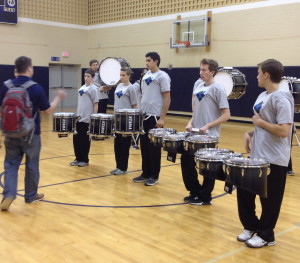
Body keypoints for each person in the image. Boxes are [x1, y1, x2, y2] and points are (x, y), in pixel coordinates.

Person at [237, 59, 294, 248]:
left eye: (259, 72)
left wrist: (259, 124)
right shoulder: (263, 95)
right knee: (244, 192)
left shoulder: (282, 97)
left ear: (267, 74)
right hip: (258, 156)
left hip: (275, 158)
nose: (257, 76)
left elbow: (285, 130)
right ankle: (251, 227)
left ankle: (266, 235)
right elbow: (265, 122)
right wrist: (250, 132)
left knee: (269, 201)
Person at [0, 56, 66, 211]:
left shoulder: (5, 86)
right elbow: (47, 110)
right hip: (31, 134)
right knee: (32, 164)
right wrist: (58, 97)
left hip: (10, 133)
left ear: (15, 69)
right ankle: (30, 196)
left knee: (10, 164)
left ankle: (9, 193)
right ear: (29, 68)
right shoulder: (36, 88)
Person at [181, 58, 230, 205]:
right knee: (186, 160)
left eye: (204, 70)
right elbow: (195, 110)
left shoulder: (218, 88)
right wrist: (191, 122)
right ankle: (194, 191)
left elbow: (226, 115)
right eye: (200, 69)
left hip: (209, 136)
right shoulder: (198, 85)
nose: (200, 72)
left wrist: (208, 125)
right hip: (194, 134)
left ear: (212, 72)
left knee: (207, 167)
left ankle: (205, 196)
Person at [133, 52, 171, 186]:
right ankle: (145, 172)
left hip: (155, 117)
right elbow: (143, 96)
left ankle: (154, 175)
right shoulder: (145, 76)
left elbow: (167, 98)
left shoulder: (163, 76)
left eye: (149, 60)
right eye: (146, 60)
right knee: (144, 146)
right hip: (144, 115)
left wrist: (162, 118)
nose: (146, 63)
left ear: (156, 61)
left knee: (153, 148)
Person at [110, 67, 138, 175]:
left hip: (126, 120)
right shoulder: (118, 86)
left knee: (124, 145)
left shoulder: (131, 88)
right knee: (117, 144)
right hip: (117, 119)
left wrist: (134, 122)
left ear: (129, 76)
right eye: (120, 75)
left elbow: (134, 105)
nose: (121, 77)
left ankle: (123, 168)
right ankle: (118, 166)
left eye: (123, 75)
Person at [69, 69, 99, 167]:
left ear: (92, 77)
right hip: (79, 117)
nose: (86, 78)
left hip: (87, 118)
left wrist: (93, 118)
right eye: (85, 76)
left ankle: (84, 160)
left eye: (88, 76)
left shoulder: (93, 89)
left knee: (84, 140)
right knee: (76, 139)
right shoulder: (82, 87)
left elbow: (95, 104)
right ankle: (77, 158)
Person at [131, 68, 147, 149]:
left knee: (142, 127)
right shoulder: (136, 85)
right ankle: (134, 143)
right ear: (141, 74)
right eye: (144, 73)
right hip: (137, 107)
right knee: (136, 126)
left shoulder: (147, 84)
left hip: (144, 108)